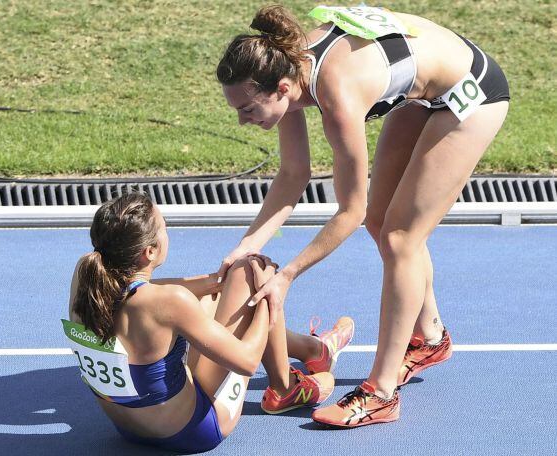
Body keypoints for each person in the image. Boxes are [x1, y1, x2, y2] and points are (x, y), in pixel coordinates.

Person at [216, 4, 509, 427]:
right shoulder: (287, 69)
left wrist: (287, 275)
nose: (243, 121)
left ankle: (382, 393)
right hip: (423, 91)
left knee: (399, 238)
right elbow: (294, 174)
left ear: (281, 89)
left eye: (247, 109)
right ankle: (429, 337)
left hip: (473, 92)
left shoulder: (337, 94)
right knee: (383, 222)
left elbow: (350, 211)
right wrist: (248, 245)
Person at [65, 192, 354, 452]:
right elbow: (247, 362)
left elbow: (143, 292)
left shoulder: (87, 274)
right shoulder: (170, 302)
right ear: (149, 251)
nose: (167, 233)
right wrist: (268, 296)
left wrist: (210, 283)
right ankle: (285, 387)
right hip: (194, 431)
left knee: (208, 300)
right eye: (163, 228)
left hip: (129, 429)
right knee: (249, 271)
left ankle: (312, 350)